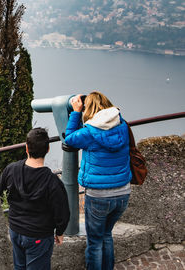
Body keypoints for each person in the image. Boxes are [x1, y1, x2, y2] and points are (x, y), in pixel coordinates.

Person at [0, 128, 70, 270]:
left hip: (16, 230)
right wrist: (59, 232)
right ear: (47, 149)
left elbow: (0, 182)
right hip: (38, 235)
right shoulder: (52, 182)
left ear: (26, 148)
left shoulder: (12, 169)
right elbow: (62, 211)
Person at [65, 91, 131, 270]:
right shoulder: (122, 124)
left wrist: (76, 112)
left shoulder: (90, 132)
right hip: (123, 192)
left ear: (89, 109)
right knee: (106, 235)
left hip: (99, 196)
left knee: (94, 242)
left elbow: (70, 138)